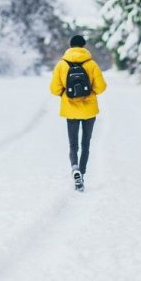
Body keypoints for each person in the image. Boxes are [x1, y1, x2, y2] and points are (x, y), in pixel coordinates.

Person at [49, 34, 107, 191]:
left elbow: (54, 89)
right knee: (85, 144)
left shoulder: (62, 64)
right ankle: (82, 173)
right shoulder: (91, 64)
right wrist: (90, 92)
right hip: (89, 110)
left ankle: (74, 168)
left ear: (70, 46)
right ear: (84, 46)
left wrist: (65, 93)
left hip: (70, 110)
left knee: (73, 144)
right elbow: (101, 87)